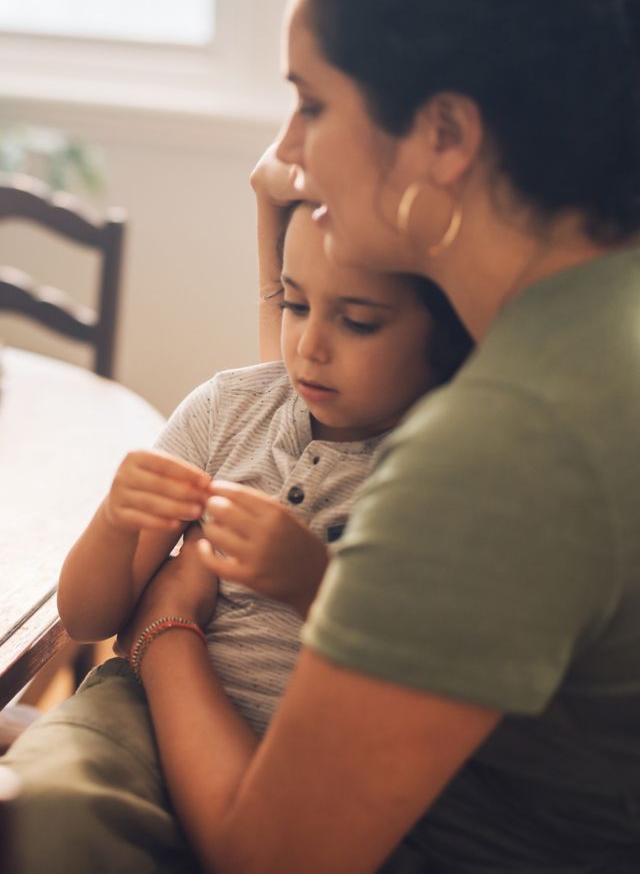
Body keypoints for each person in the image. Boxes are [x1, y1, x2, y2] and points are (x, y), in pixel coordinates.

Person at [54, 0, 640, 872]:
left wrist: (164, 625)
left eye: (311, 104)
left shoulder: (505, 442)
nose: (289, 150)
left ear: (445, 136)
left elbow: (271, 858)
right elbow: (293, 395)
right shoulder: (596, 311)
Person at [1, 202, 472, 872]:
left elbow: (421, 664)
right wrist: (114, 520)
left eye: (359, 321)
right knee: (49, 808)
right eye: (294, 303)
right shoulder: (228, 410)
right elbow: (86, 617)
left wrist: (315, 584)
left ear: (444, 333)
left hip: (316, 761)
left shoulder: (444, 469)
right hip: (138, 719)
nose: (309, 344)